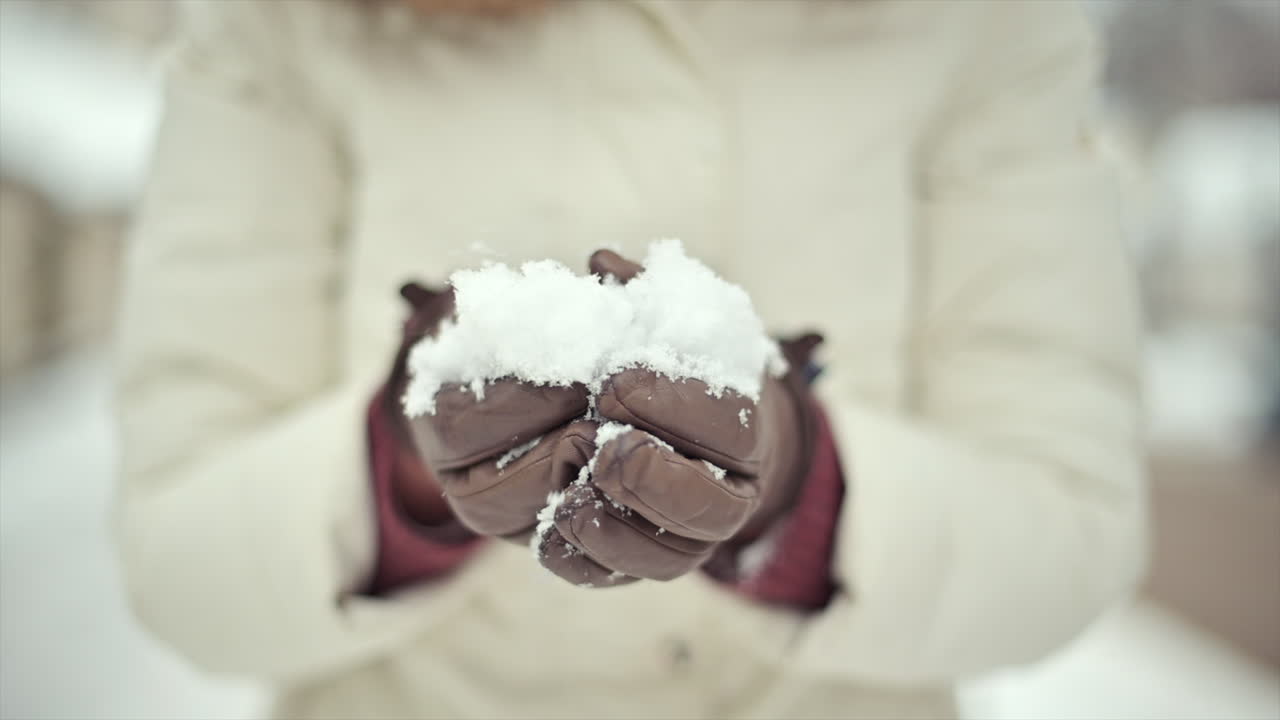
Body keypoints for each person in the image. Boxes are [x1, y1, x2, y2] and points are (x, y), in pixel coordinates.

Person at [113, 1, 1146, 717]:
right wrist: (402, 469)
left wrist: (797, 491)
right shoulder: (280, 17)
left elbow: (1068, 521)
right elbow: (175, 550)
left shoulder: (986, 20)